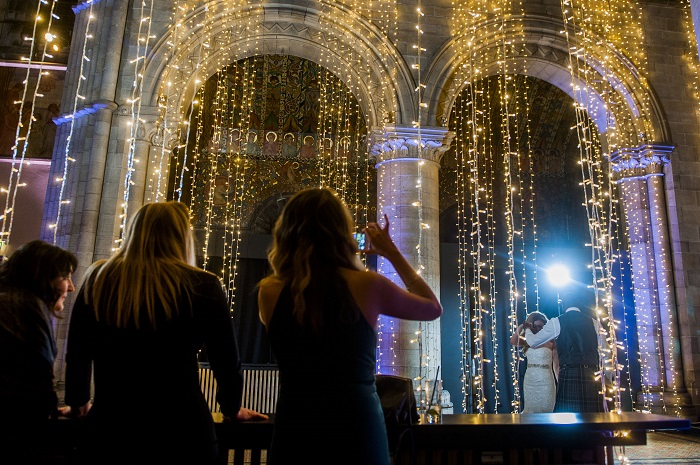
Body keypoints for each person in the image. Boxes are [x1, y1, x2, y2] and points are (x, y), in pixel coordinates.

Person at [64, 201, 267, 465]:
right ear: (182, 237)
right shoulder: (202, 284)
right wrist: (231, 408)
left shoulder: (98, 279)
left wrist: (77, 401)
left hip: (113, 424)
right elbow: (226, 361)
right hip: (182, 426)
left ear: (135, 232)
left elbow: (78, 352)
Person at [258, 187, 443, 465]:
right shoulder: (366, 284)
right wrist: (391, 252)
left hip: (297, 420)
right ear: (341, 233)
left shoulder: (269, 291)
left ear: (287, 232)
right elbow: (432, 307)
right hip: (356, 421)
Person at [0, 240, 77, 464]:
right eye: (66, 277)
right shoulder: (24, 311)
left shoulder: (15, 303)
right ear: (42, 275)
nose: (71, 287)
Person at [524, 299, 606, 413]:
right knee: (594, 416)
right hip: (593, 374)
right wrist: (608, 377)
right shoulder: (595, 323)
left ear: (563, 306)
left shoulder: (556, 322)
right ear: (580, 305)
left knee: (567, 416)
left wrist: (527, 329)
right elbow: (605, 353)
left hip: (569, 372)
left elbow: (532, 342)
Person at [510, 311, 558, 413]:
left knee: (546, 409)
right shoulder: (528, 341)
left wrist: (559, 381)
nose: (538, 329)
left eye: (541, 326)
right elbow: (513, 341)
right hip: (530, 380)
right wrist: (523, 326)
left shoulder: (551, 341)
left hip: (546, 379)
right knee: (530, 410)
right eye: (536, 326)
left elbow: (556, 365)